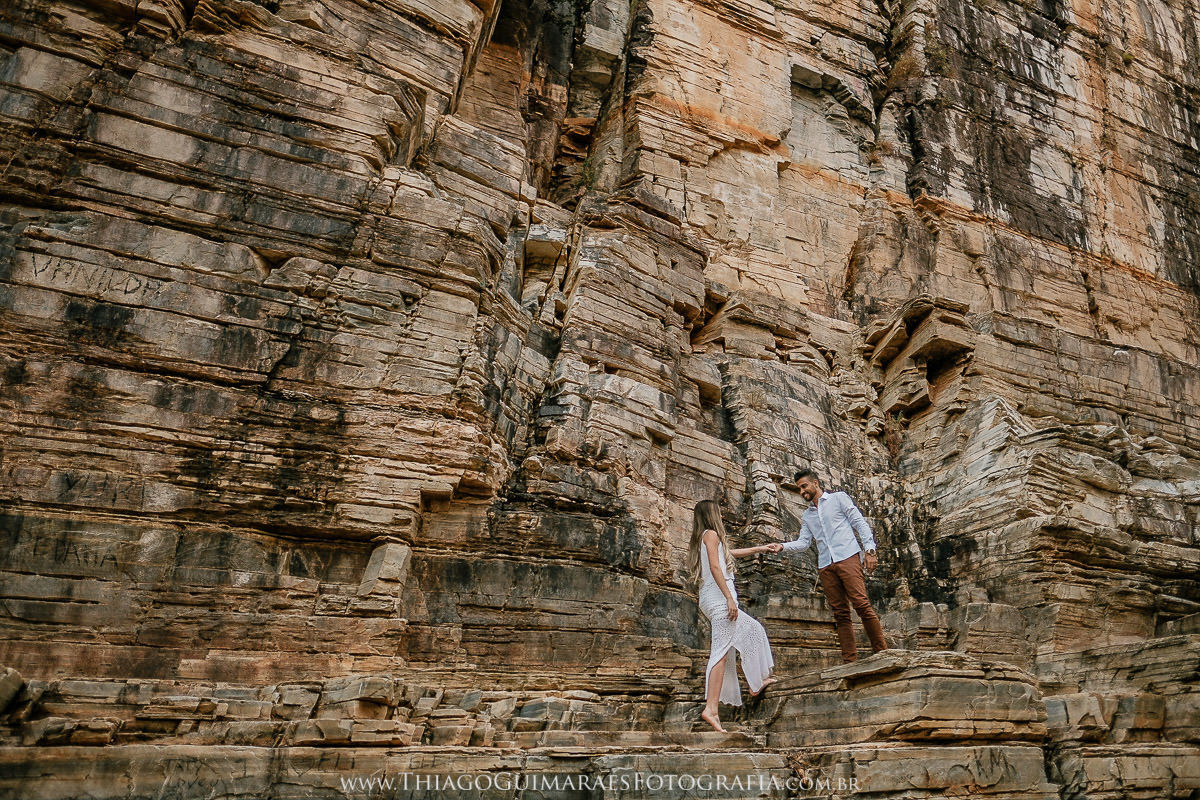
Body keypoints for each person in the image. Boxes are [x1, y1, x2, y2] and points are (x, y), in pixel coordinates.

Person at [767, 469, 888, 663]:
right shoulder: (808, 515)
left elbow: (859, 522)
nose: (802, 491)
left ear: (815, 483)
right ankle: (849, 661)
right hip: (825, 565)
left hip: (847, 557)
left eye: (804, 486)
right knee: (840, 613)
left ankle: (882, 653)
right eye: (799, 488)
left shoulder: (838, 499)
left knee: (861, 604)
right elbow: (804, 542)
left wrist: (870, 550)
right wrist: (782, 546)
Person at [688, 499, 778, 733]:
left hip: (710, 598)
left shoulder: (707, 537)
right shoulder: (711, 534)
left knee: (751, 631)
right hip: (719, 598)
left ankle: (755, 684)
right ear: (712, 514)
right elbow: (717, 568)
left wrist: (759, 548)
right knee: (720, 652)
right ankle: (711, 709)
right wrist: (729, 597)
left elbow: (728, 554)